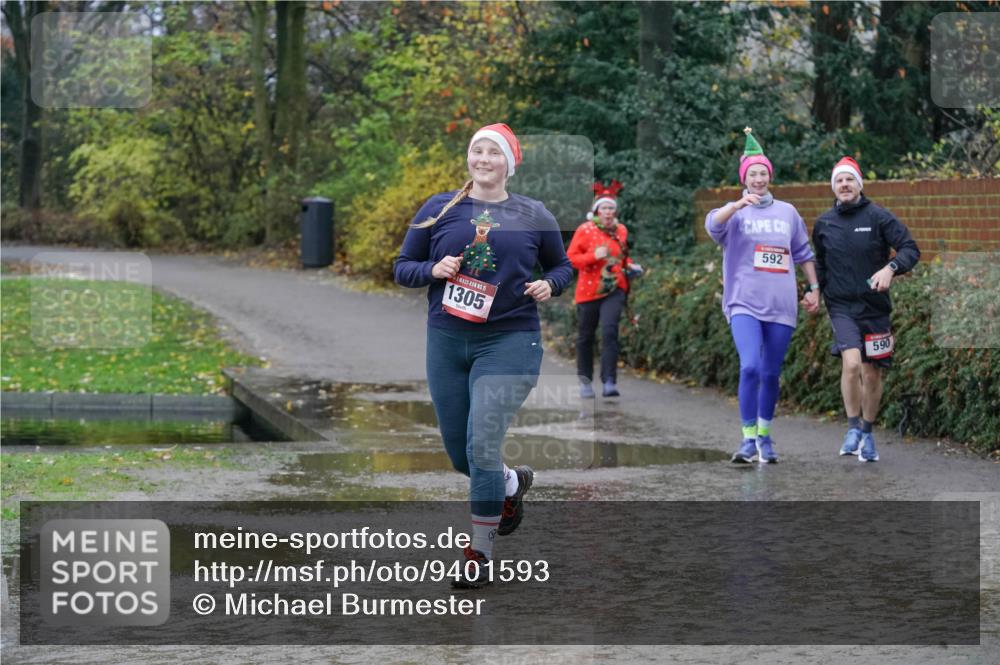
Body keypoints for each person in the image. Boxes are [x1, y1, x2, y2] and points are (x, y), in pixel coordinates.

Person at [393, 123, 573, 587]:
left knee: (482, 446)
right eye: (477, 150)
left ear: (508, 163)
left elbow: (563, 264)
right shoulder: (439, 209)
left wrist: (549, 284)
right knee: (462, 455)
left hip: (510, 341)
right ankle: (510, 483)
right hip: (448, 341)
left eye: (493, 152)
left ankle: (479, 553)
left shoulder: (533, 213)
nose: (483, 158)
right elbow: (402, 267)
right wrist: (433, 269)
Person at [706, 128, 820, 464]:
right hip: (744, 301)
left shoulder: (787, 212)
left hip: (782, 304)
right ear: (744, 178)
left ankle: (765, 439)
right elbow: (712, 225)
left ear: (770, 176)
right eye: (752, 174)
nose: (758, 179)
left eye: (763, 173)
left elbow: (803, 253)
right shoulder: (735, 212)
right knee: (750, 366)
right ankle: (746, 440)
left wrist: (814, 289)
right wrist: (737, 204)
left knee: (771, 372)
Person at [813, 156, 920, 462]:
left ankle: (868, 433)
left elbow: (911, 248)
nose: (844, 185)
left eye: (849, 180)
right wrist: (815, 291)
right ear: (833, 187)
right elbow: (820, 263)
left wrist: (892, 268)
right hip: (842, 306)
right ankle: (852, 428)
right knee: (851, 364)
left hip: (875, 309)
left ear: (859, 184)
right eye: (838, 181)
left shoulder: (878, 217)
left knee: (872, 375)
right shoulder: (824, 224)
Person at [567, 181, 643, 399]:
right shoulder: (585, 230)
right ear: (597, 211)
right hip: (588, 291)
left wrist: (630, 266)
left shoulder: (621, 230)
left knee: (610, 332)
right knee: (585, 337)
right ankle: (585, 382)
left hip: (614, 288)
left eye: (611, 208)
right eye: (604, 208)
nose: (608, 212)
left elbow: (621, 256)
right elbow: (571, 259)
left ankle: (609, 381)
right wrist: (593, 256)